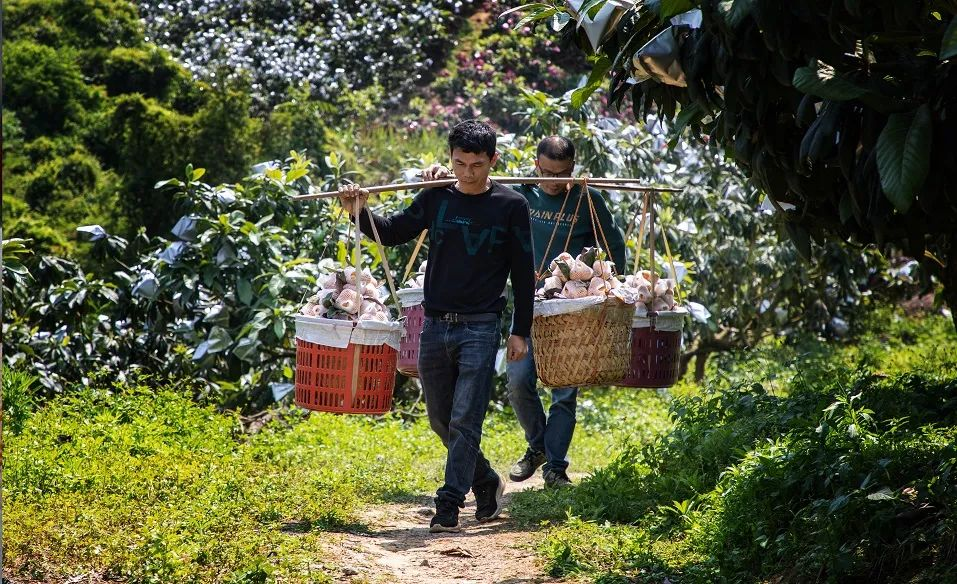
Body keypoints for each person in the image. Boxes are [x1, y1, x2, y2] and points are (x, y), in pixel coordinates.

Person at [339, 120, 535, 533]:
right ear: (450, 159)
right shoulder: (437, 199)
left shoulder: (510, 205)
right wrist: (359, 211)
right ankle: (485, 481)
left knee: (465, 419)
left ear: (493, 160)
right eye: (459, 163)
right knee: (441, 420)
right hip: (434, 324)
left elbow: (522, 271)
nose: (467, 173)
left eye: (477, 165)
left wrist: (521, 330)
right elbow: (391, 233)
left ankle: (448, 505)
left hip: (482, 326)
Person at [423, 136, 626, 488]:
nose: (553, 180)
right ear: (536, 166)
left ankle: (555, 467)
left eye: (561, 174)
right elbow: (475, 188)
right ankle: (537, 446)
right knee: (518, 382)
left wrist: (609, 287)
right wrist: (444, 175)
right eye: (546, 172)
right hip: (527, 303)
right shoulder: (519, 197)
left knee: (564, 389)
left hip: (569, 307)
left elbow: (615, 246)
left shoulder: (587, 198)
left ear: (573, 170)